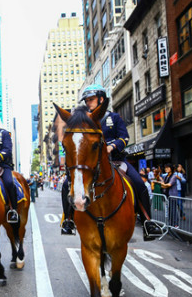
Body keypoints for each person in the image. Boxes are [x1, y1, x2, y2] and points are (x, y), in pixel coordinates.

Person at [60, 84, 163, 240]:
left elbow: (124, 137)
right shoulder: (85, 120)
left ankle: (148, 222)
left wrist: (112, 146)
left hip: (116, 161)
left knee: (140, 184)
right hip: (93, 164)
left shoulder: (114, 118)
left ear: (102, 99)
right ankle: (69, 220)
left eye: (91, 99)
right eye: (87, 100)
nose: (88, 103)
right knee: (66, 185)